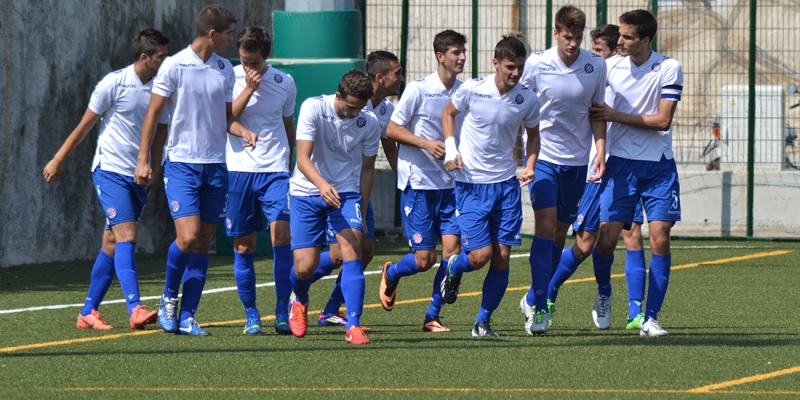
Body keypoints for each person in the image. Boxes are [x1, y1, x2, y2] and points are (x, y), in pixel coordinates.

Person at [134, 5, 259, 336]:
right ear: (213, 34)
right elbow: (153, 115)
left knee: (203, 242)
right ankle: (168, 299)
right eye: (230, 34)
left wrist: (242, 130)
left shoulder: (225, 69)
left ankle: (188, 315)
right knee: (187, 238)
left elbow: (227, 117)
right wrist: (144, 159)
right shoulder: (175, 66)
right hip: (182, 165)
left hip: (217, 166)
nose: (233, 40)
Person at [43, 29, 170, 331]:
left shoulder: (163, 88)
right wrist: (58, 158)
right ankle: (135, 308)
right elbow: (85, 126)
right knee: (127, 235)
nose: (166, 62)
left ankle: (88, 311)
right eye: (161, 57)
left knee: (112, 243)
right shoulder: (114, 83)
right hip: (110, 171)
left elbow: (160, 133)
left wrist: (155, 167)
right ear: (144, 57)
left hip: (139, 176)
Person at [546, 24, 650, 332]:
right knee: (586, 244)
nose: (592, 56)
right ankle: (546, 293)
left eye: (599, 50)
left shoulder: (625, 73)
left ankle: (635, 312)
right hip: (593, 169)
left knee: (632, 235)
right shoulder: (587, 77)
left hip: (625, 167)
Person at [589, 9, 683, 337]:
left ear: (645, 40)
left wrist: (617, 114)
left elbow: (662, 121)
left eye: (628, 36)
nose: (620, 41)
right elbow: (597, 111)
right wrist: (600, 153)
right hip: (619, 164)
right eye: (620, 35)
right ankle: (604, 292)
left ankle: (651, 317)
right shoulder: (608, 65)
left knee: (659, 238)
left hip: (658, 166)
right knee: (606, 242)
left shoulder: (668, 67)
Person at [441, 36, 540, 337]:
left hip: (507, 186)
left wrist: (531, 164)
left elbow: (533, 135)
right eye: (510, 67)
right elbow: (448, 114)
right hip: (471, 184)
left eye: (521, 67)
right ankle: (454, 269)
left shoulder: (527, 98)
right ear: (495, 63)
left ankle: (482, 321)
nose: (516, 73)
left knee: (502, 256)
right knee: (480, 256)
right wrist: (449, 149)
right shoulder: (473, 89)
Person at [518, 5, 608, 335]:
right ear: (555, 33)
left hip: (577, 163)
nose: (572, 44)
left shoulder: (595, 65)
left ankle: (532, 296)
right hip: (543, 160)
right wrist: (521, 159)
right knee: (544, 229)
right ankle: (539, 308)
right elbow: (519, 107)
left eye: (578, 38)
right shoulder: (537, 64)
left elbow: (597, 113)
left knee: (559, 234)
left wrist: (599, 151)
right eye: (567, 37)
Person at [379, 30, 468, 333]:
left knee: (452, 253)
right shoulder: (419, 90)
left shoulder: (464, 91)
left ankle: (432, 315)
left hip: (452, 186)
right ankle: (392, 273)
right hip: (418, 185)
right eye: (456, 52)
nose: (462, 58)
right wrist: (425, 144)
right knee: (424, 260)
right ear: (440, 56)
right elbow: (391, 129)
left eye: (463, 52)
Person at [307, 51, 403, 329]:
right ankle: (298, 284)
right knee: (340, 255)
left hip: (359, 189)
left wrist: (403, 180)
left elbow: (388, 149)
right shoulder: (332, 106)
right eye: (396, 73)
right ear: (379, 77)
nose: (401, 78)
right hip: (333, 191)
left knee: (366, 251)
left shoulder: (384, 110)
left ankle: (330, 310)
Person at [287, 70, 380, 345]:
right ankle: (299, 298)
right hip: (306, 191)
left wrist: (361, 208)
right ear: (338, 96)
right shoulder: (313, 107)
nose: (355, 114)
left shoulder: (369, 121)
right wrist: (321, 185)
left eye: (360, 108)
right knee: (305, 267)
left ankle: (353, 325)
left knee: (354, 250)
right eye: (350, 106)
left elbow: (367, 169)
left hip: (346, 193)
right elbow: (302, 158)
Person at [224, 27, 297, 335]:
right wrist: (249, 88)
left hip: (275, 170)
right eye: (243, 60)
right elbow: (227, 118)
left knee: (282, 237)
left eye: (253, 62)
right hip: (238, 170)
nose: (248, 67)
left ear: (266, 56)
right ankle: (251, 313)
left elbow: (289, 127)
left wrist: (293, 165)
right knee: (243, 246)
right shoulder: (229, 77)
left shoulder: (285, 82)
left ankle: (282, 308)